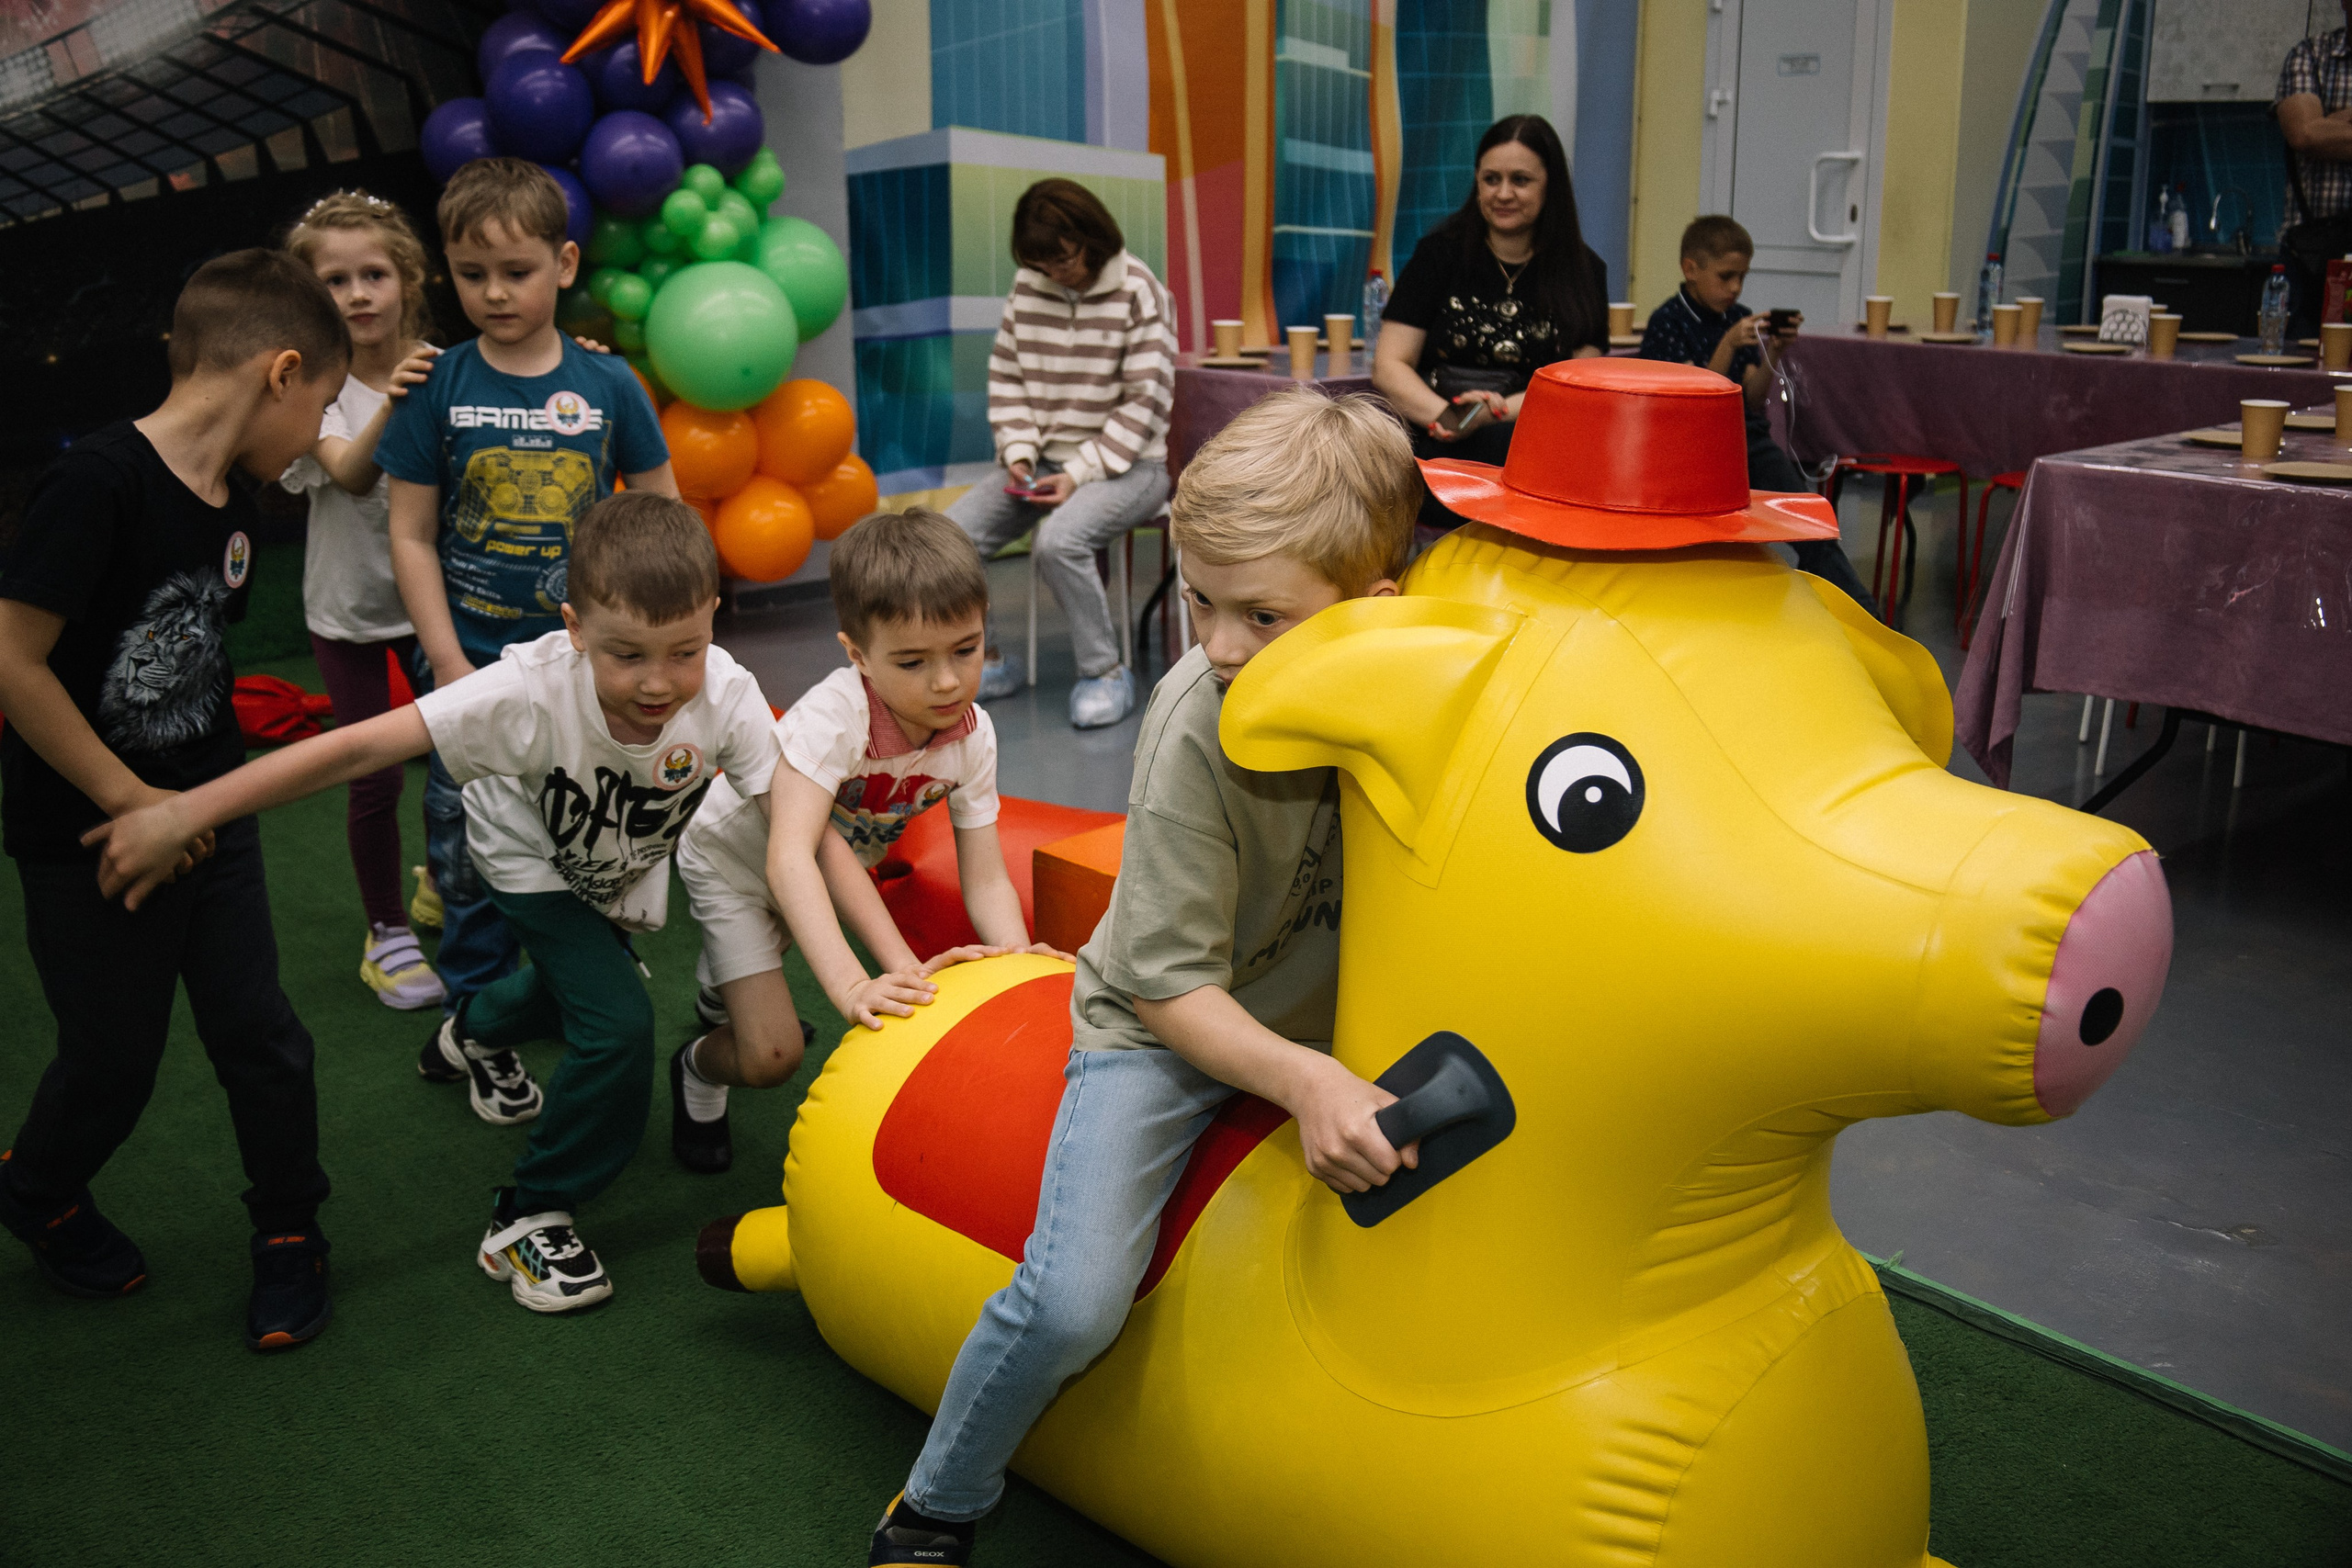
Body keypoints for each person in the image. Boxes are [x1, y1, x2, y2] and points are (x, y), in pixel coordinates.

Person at [866, 390, 1424, 1567]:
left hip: (1332, 1007)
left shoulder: (1419, 696)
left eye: (1262, 616)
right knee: (1073, 1300)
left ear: (1377, 610)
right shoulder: (1200, 720)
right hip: (1167, 1029)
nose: (1218, 645)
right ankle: (939, 1500)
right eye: (1204, 602)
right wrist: (1307, 1082)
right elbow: (1171, 993)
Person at [86, 492, 779, 1314]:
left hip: (612, 862)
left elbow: (794, 821)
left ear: (712, 616)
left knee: (573, 994)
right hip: (528, 860)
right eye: (626, 653)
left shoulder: (728, 691)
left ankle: (469, 1033)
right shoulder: (520, 690)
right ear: (575, 626)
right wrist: (184, 809)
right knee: (618, 1020)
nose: (657, 682)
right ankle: (526, 1212)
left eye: (684, 650)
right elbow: (357, 746)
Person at [0, 250, 346, 1350]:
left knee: (263, 1036)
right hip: (89, 838)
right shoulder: (97, 482)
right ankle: (39, 1190)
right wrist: (131, 800)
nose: (313, 443)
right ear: (281, 373)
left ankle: (291, 1232)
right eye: (323, 407)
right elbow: (13, 660)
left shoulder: (234, 503)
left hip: (211, 824)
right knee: (111, 1060)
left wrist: (198, 807)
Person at [377, 157, 675, 1072]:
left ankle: (573, 983)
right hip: (468, 664)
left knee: (588, 835)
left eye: (518, 271)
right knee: (464, 857)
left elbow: (662, 519)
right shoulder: (438, 383)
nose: (495, 293)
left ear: (567, 263)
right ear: (448, 274)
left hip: (589, 674)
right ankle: (476, 1021)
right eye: (472, 274)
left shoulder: (610, 386)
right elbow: (412, 534)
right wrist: (445, 662)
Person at [669, 509, 1069, 1174]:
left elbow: (987, 873)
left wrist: (1017, 958)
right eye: (912, 661)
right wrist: (856, 984)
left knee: (753, 966)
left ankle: (725, 978)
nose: (946, 681)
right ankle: (696, 1066)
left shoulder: (973, 735)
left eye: (965, 649)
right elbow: (790, 857)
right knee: (771, 1055)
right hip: (736, 866)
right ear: (856, 653)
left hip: (828, 873)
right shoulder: (835, 717)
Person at [279, 189, 448, 1010]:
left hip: (437, 608)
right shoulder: (308, 385)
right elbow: (349, 474)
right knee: (374, 777)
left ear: (406, 277)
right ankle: (388, 931)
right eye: (336, 280)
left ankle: (442, 886)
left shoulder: (448, 364)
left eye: (374, 273)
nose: (358, 294)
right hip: (347, 614)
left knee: (466, 767)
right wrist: (397, 398)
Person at [946, 177, 1178, 730]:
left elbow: (1144, 403)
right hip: (1047, 463)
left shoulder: (1141, 291)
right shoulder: (1029, 287)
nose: (1056, 273)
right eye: (1043, 264)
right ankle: (990, 663)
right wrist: (1020, 451)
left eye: (1065, 260)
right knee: (949, 539)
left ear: (1092, 238)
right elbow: (1007, 378)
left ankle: (1105, 672)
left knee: (1059, 541)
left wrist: (1078, 474)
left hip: (1133, 467)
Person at [1371, 112, 1608, 526]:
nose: (1503, 194)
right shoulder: (1437, 254)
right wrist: (1450, 417)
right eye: (1490, 179)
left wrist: (1493, 413)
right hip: (1440, 430)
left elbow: (1582, 383)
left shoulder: (1584, 270)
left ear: (1550, 186)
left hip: (1533, 435)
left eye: (1520, 180)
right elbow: (1389, 365)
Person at [1637, 216, 1875, 612]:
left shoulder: (1738, 315)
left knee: (1809, 518)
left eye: (1742, 277)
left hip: (1747, 438)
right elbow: (1690, 402)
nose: (1735, 288)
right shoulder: (1668, 322)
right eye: (1726, 276)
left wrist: (1775, 352)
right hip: (1689, 449)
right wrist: (1728, 346)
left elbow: (1752, 397)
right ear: (1690, 269)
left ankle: (1864, 613)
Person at [2276, 4, 2352, 335]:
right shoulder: (2309, 55)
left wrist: (2331, 123)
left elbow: (2317, 131)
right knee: (2303, 373)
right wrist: (2315, 130)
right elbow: (2304, 134)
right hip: (2312, 257)